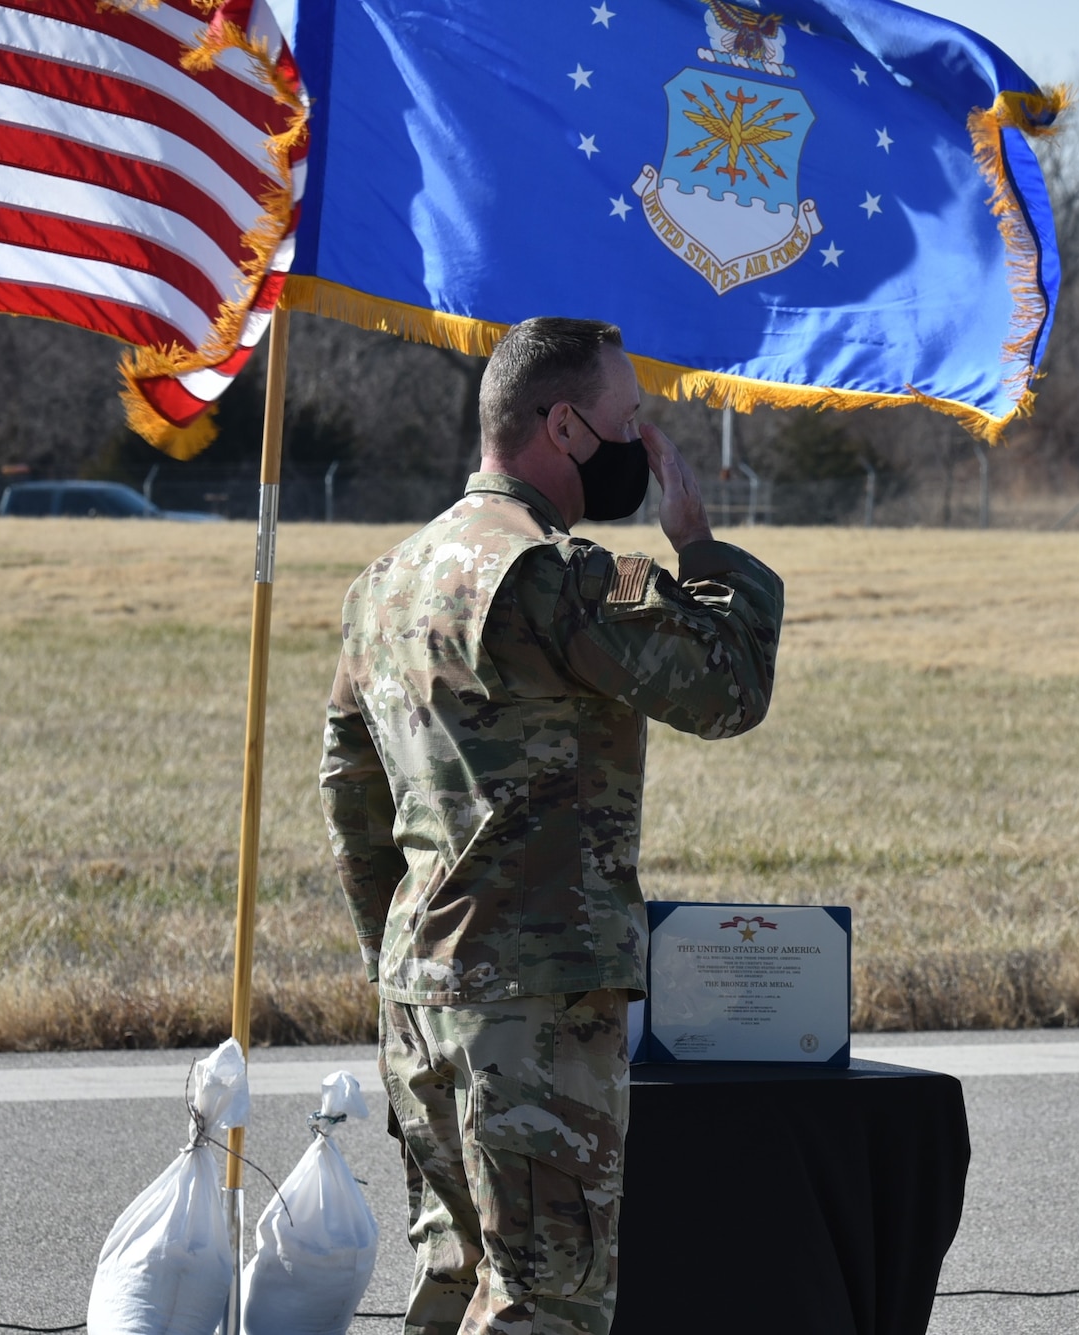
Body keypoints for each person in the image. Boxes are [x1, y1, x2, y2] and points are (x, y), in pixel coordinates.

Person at [319, 317, 784, 1335]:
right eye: (632, 423)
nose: (646, 447)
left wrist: (397, 961)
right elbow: (727, 689)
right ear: (566, 428)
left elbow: (353, 807)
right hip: (530, 1007)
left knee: (452, 1284)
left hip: (419, 1000)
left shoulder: (380, 587)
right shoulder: (554, 577)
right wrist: (700, 545)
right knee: (547, 1303)